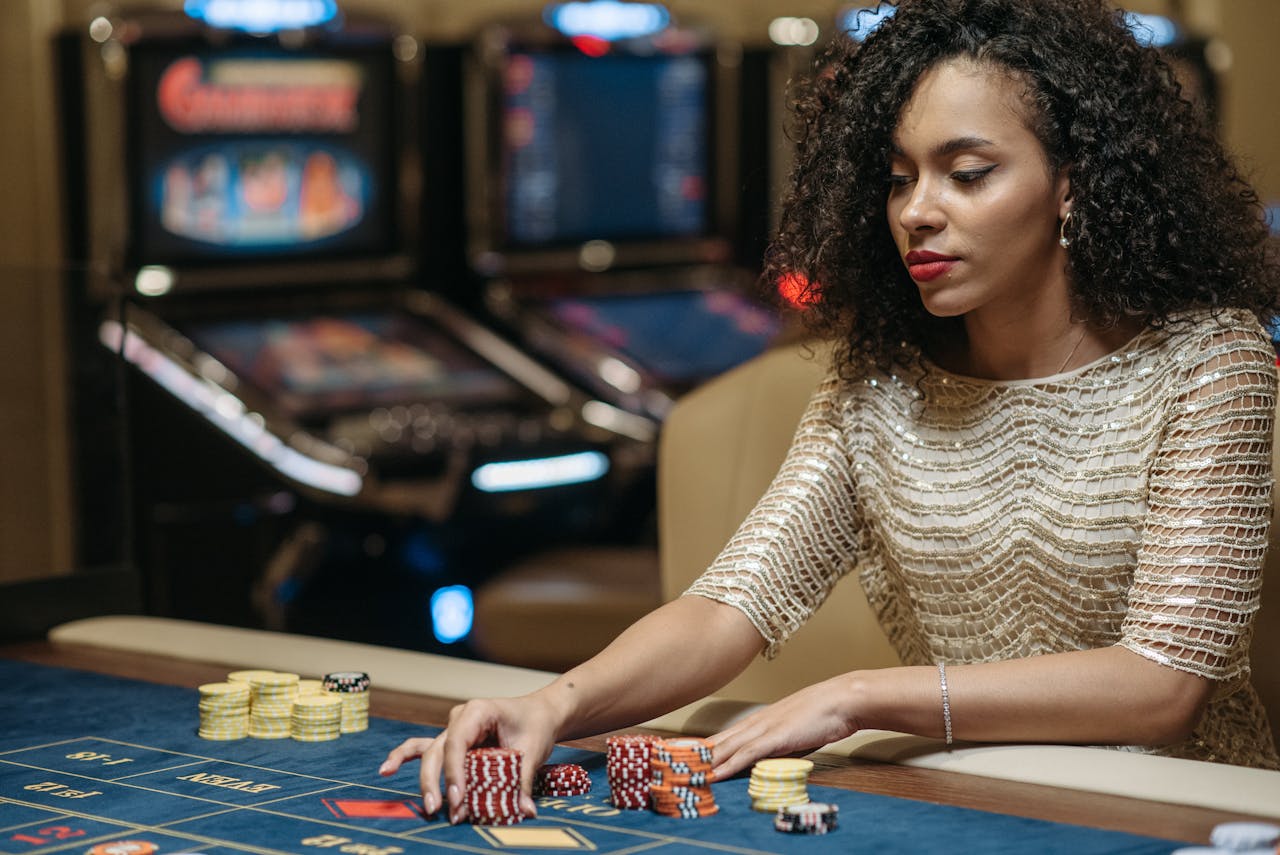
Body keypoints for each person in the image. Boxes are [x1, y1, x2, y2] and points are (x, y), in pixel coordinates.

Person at [381, 0, 1280, 821]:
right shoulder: (879, 384)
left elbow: (1162, 683)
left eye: (967, 174)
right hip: (968, 794)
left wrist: (856, 696)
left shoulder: (1210, 361)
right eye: (898, 178)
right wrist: (554, 700)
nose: (918, 212)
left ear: (1074, 186)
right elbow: (731, 604)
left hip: (1180, 807)